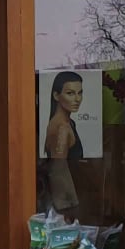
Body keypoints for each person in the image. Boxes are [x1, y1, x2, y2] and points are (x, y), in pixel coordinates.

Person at [42, 71, 85, 216]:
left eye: (80, 93)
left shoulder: (67, 123)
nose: (77, 99)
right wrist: (69, 209)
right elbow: (58, 170)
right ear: (56, 95)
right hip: (65, 204)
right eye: (70, 93)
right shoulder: (62, 128)